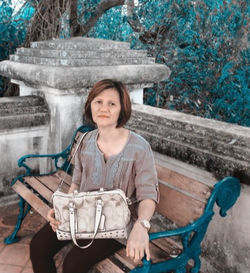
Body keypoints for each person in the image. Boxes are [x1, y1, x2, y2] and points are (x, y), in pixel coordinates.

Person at [30, 79, 159, 273]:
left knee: (73, 264)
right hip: (84, 214)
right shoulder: (85, 141)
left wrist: (142, 226)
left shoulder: (139, 147)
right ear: (90, 105)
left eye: (112, 103)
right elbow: (76, 184)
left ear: (122, 109)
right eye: (98, 102)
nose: (104, 108)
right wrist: (61, 211)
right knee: (38, 246)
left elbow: (148, 194)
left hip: (117, 225)